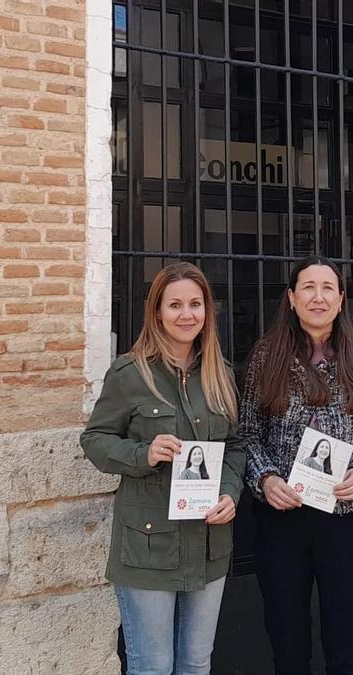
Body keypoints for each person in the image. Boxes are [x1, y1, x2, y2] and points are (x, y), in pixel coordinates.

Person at [82, 262, 245, 675]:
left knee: (195, 663)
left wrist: (230, 492)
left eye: (195, 304)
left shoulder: (220, 375)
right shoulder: (130, 373)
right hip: (148, 546)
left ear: (208, 311)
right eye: (174, 305)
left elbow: (235, 446)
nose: (186, 314)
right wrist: (144, 453)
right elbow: (95, 440)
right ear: (157, 312)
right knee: (152, 665)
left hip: (208, 541)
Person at [240, 255, 353, 675]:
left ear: (341, 298)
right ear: (291, 298)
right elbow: (248, 434)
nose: (318, 296)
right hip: (283, 517)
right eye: (308, 287)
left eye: (328, 288)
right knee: (287, 642)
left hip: (347, 518)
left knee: (345, 643)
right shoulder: (266, 356)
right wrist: (265, 479)